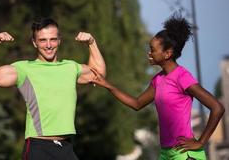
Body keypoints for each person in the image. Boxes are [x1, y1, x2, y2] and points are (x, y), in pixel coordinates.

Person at [90, 14, 224, 160]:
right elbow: (136, 104)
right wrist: (107, 84)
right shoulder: (158, 80)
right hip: (166, 153)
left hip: (184, 154)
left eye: (153, 49)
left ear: (167, 53)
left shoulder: (182, 76)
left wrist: (201, 142)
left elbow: (217, 107)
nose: (149, 52)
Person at [0, 18, 106, 160]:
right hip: (38, 147)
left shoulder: (70, 67)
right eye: (43, 40)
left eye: (53, 39)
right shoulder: (24, 69)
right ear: (34, 43)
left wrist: (92, 43)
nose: (49, 45)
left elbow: (99, 75)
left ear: (59, 40)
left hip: (65, 147)